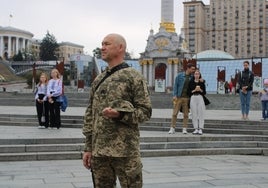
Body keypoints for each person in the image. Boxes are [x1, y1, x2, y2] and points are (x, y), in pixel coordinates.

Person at [82, 33, 152, 188]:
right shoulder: (99, 79)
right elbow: (90, 114)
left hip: (125, 152)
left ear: (120, 47)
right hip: (99, 152)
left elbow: (145, 111)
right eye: (102, 44)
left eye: (107, 44)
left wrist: (120, 114)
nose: (102, 47)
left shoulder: (133, 76)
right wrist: (88, 148)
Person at [168, 63, 196, 134]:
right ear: (188, 68)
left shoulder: (192, 77)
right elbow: (175, 86)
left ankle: (184, 128)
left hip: (187, 99)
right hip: (179, 97)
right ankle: (172, 128)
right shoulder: (179, 76)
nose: (193, 70)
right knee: (175, 113)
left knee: (186, 114)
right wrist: (174, 95)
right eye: (192, 69)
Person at [188, 70, 206, 135]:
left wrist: (200, 90)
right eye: (195, 74)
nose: (196, 75)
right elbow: (188, 92)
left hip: (200, 97)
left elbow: (204, 92)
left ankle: (200, 128)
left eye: (198, 74)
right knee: (194, 113)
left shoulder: (201, 82)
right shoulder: (191, 82)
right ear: (194, 75)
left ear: (199, 75)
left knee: (201, 113)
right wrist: (194, 90)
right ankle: (195, 128)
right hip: (193, 97)